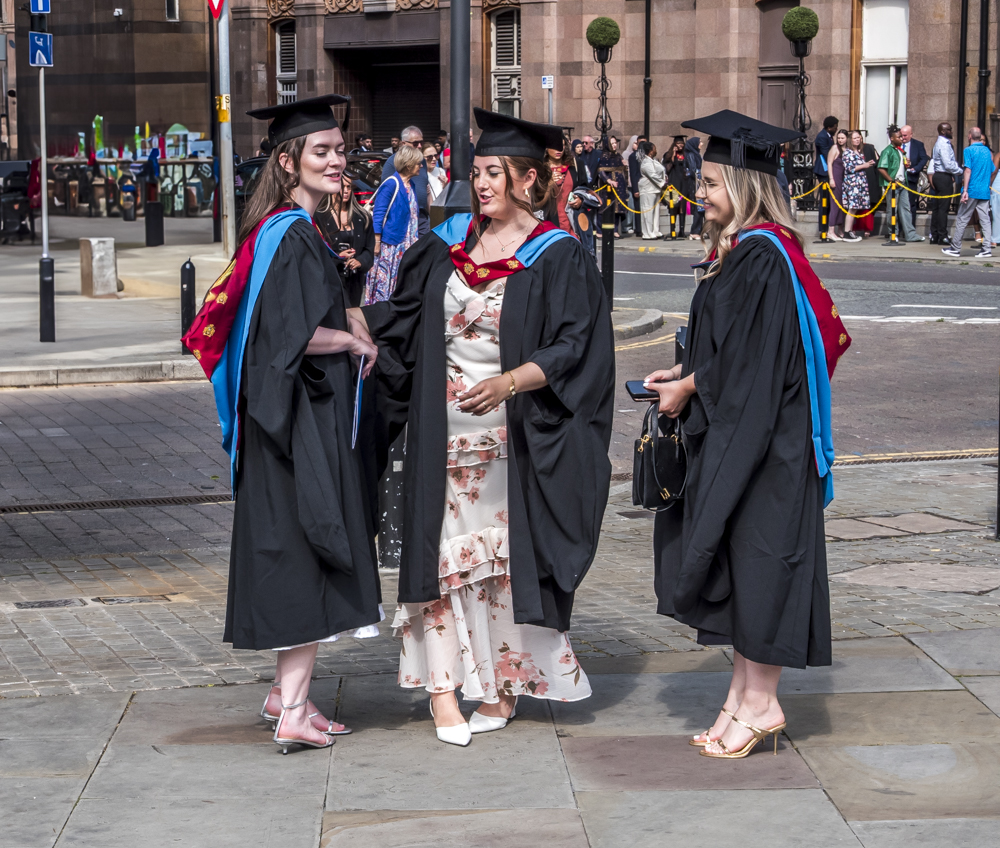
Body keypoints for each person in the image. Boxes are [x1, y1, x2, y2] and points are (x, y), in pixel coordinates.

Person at [350, 107, 614, 747]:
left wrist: (510, 381)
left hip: (510, 444)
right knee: (440, 563)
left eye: (496, 172)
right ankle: (443, 693)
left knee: (500, 569)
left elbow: (576, 346)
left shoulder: (557, 255)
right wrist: (347, 319)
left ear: (528, 179)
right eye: (479, 171)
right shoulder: (447, 248)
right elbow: (401, 323)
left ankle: (499, 685)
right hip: (440, 438)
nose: (483, 182)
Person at [645, 109, 851, 760]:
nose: (699, 193)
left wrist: (690, 388)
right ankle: (740, 696)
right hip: (756, 436)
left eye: (710, 183)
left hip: (769, 449)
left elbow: (751, 367)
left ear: (743, 185)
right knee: (742, 566)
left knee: (761, 569)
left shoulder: (760, 257)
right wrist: (685, 372)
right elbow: (732, 351)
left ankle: (762, 704)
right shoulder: (750, 251)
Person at [181, 94, 383, 755]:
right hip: (298, 427)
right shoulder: (295, 235)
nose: (336, 160)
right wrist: (348, 339)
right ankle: (292, 710)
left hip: (282, 422)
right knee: (308, 552)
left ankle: (282, 693)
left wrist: (344, 316)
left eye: (339, 150)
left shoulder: (280, 229)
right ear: (289, 161)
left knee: (297, 548)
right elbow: (285, 336)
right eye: (321, 151)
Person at [364, 143, 422, 303]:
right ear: (408, 165)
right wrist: (377, 243)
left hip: (408, 245)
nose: (421, 166)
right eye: (418, 163)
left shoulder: (411, 185)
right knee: (386, 285)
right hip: (391, 246)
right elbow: (378, 214)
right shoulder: (391, 183)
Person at [316, 176, 375, 308]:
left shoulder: (362, 217)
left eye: (349, 187)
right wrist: (337, 257)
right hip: (331, 279)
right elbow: (316, 252)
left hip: (354, 280)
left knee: (352, 314)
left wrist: (360, 261)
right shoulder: (319, 217)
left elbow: (369, 249)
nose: (346, 190)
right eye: (342, 187)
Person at [942, 127, 993, 259]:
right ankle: (986, 249)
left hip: (972, 189)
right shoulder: (987, 151)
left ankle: (955, 248)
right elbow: (992, 169)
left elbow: (968, 170)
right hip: (984, 190)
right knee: (985, 219)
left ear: (970, 136)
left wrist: (965, 190)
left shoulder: (968, 150)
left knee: (962, 218)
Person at [877, 125, 924, 243]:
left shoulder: (900, 150)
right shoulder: (887, 151)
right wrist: (891, 180)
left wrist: (907, 164)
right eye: (898, 137)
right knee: (892, 210)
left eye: (902, 136)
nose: (901, 139)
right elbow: (881, 167)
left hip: (902, 183)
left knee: (905, 209)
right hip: (893, 185)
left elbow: (901, 166)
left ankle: (910, 234)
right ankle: (893, 234)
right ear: (892, 138)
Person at [381, 126, 431, 235]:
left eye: (421, 143)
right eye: (415, 143)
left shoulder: (422, 161)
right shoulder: (392, 162)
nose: (419, 146)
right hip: (401, 216)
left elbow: (425, 189)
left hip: (421, 216)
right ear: (403, 144)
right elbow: (385, 194)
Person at [930, 122, 964, 244]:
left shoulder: (939, 143)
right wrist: (961, 171)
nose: (951, 131)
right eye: (949, 129)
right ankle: (942, 236)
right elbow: (948, 164)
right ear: (943, 131)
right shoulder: (944, 144)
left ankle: (934, 235)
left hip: (939, 176)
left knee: (937, 207)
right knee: (943, 208)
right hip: (943, 177)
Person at [826, 129, 857, 240]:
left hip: (845, 180)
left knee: (843, 205)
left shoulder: (848, 149)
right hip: (836, 178)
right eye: (838, 138)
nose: (840, 140)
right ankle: (830, 231)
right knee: (835, 205)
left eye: (842, 138)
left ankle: (840, 230)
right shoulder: (835, 148)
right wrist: (831, 179)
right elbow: (829, 163)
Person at [843, 130, 874, 238]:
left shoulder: (859, 152)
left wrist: (868, 164)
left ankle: (850, 231)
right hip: (853, 184)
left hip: (860, 183)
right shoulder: (848, 152)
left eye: (858, 138)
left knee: (855, 208)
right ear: (850, 140)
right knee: (852, 208)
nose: (857, 140)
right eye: (855, 138)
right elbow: (849, 168)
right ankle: (847, 231)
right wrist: (864, 166)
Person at [543, 136, 576, 234]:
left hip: (571, 221)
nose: (559, 149)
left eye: (562, 145)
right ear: (546, 148)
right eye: (555, 146)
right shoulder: (540, 169)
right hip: (549, 221)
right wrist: (548, 184)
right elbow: (535, 198)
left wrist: (580, 199)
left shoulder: (573, 167)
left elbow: (583, 188)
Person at [598, 136, 628, 238]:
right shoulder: (604, 156)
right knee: (606, 207)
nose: (614, 145)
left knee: (618, 209)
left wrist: (625, 165)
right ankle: (601, 230)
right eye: (612, 143)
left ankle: (615, 229)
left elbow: (623, 169)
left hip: (620, 185)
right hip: (608, 186)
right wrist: (608, 180)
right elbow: (601, 171)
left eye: (615, 143)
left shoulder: (618, 156)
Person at [900, 125, 929, 229]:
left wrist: (916, 168)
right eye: (901, 135)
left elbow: (924, 158)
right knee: (898, 204)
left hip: (911, 178)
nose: (903, 138)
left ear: (911, 134)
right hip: (898, 179)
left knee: (911, 204)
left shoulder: (918, 145)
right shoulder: (896, 144)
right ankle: (898, 229)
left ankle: (910, 229)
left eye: (905, 135)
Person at [663, 135, 693, 238]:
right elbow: (667, 168)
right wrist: (673, 155)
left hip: (684, 183)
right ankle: (672, 230)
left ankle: (682, 230)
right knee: (674, 206)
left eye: (682, 143)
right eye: (678, 143)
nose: (680, 145)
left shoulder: (685, 155)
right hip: (674, 183)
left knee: (682, 206)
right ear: (674, 144)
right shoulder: (668, 155)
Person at [637, 141, 665, 239]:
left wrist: (664, 178)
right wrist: (663, 183)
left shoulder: (654, 161)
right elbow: (652, 175)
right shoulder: (645, 162)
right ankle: (647, 232)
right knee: (647, 210)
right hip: (648, 189)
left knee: (656, 211)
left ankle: (655, 230)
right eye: (654, 148)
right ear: (650, 151)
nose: (656, 150)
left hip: (655, 188)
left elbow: (661, 170)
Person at [684, 136, 705, 240]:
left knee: (701, 208)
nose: (701, 144)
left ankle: (700, 230)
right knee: (698, 207)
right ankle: (695, 231)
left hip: (698, 183)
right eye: (700, 142)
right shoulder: (691, 155)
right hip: (695, 184)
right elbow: (693, 171)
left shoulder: (696, 154)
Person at [628, 134, 648, 237]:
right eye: (641, 143)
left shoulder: (649, 156)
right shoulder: (633, 156)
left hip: (648, 186)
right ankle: (639, 229)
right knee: (638, 208)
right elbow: (633, 173)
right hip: (638, 185)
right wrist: (635, 189)